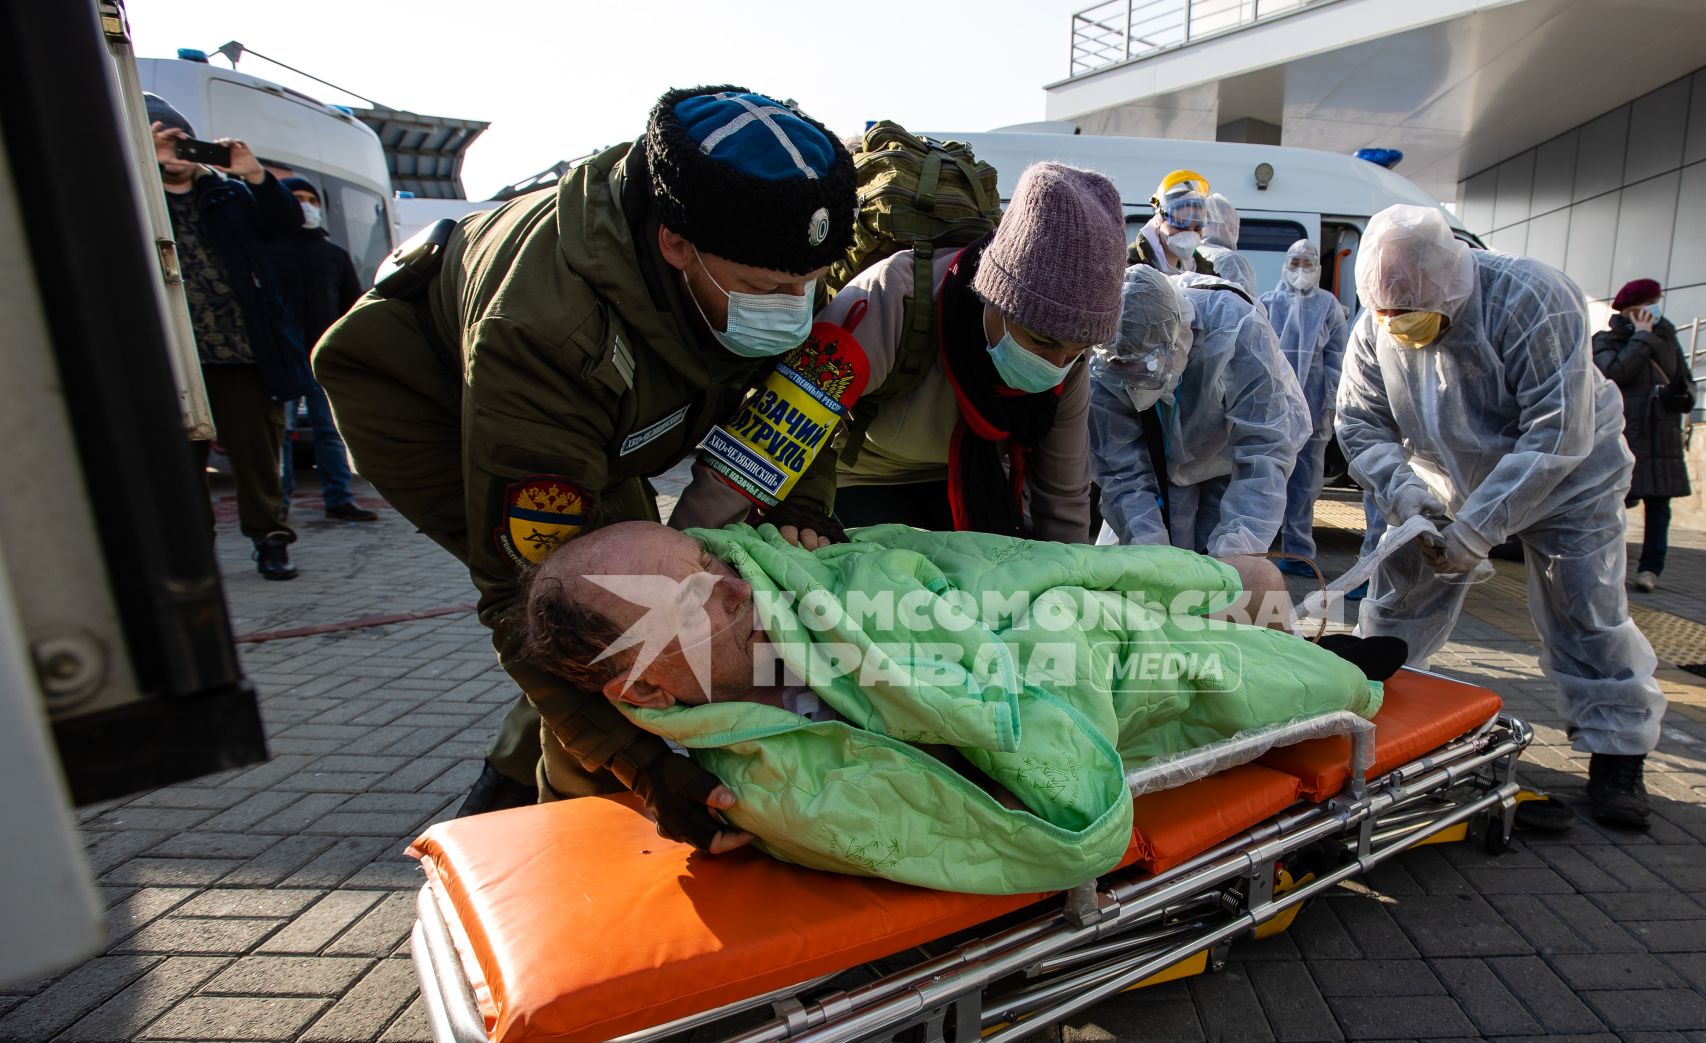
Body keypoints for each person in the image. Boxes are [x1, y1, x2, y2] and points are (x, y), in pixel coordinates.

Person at [313, 85, 856, 834]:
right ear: (674, 243)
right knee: (599, 617)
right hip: (426, 397)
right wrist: (646, 767)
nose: (796, 306)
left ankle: (508, 786)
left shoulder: (743, 236)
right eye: (770, 289)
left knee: (635, 611)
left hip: (609, 402)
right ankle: (565, 843)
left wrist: (801, 498)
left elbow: (800, 398)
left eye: (809, 284)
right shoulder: (543, 331)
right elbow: (525, 596)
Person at [513, 519, 1392, 892]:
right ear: (643, 689)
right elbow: (1011, 802)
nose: (734, 589)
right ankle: (1328, 664)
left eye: (712, 561)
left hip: (1009, 604)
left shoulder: (776, 585)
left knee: (1241, 579)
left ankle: (1263, 614)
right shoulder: (771, 781)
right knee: (1251, 652)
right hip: (1082, 660)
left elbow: (943, 565)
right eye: (690, 600)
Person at [1334, 203, 1666, 827]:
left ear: (1449, 278)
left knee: (1584, 609)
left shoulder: (1533, 298)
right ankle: (1383, 727)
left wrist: (1478, 530)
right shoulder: (1377, 324)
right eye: (1386, 313)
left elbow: (1555, 434)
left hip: (1573, 481)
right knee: (1398, 604)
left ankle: (1618, 753)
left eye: (1410, 311)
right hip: (1447, 482)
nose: (1397, 324)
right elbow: (1359, 422)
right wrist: (1409, 499)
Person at [672, 162, 1126, 541]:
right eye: (1040, 341)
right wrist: (683, 557)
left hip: (966, 483)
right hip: (860, 478)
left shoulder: (1067, 363)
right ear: (994, 296)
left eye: (1078, 351)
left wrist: (1067, 600)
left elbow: (1063, 504)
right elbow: (763, 444)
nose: (1055, 366)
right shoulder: (888, 303)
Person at [147, 94, 309, 580]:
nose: (174, 150)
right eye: (162, 139)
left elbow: (286, 224)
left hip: (242, 350)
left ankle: (271, 539)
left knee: (257, 455)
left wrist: (254, 175)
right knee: (178, 462)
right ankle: (193, 550)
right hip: (173, 351)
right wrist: (145, 167)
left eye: (180, 139)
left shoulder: (229, 192)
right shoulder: (136, 192)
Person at [1087, 265, 1310, 600]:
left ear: (1180, 336)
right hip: (1162, 460)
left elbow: (1263, 450)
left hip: (1229, 455)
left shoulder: (1237, 329)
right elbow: (1121, 472)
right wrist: (1152, 558)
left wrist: (1232, 562)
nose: (1134, 382)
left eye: (1145, 369)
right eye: (1123, 370)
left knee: (1225, 573)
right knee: (1155, 567)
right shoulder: (1104, 359)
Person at [267, 177, 378, 523]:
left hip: (322, 358)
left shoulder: (333, 254)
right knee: (280, 434)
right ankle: (278, 502)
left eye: (310, 199)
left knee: (330, 430)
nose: (305, 206)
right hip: (282, 357)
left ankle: (339, 497)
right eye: (296, 199)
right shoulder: (269, 251)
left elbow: (353, 306)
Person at [1593, 277, 1694, 592]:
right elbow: (1612, 374)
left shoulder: (1668, 340)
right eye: (1649, 303)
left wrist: (1682, 395)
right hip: (1623, 432)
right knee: (1613, 501)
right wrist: (1641, 338)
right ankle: (1606, 563)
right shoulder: (1604, 341)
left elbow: (1684, 380)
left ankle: (1650, 569)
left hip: (1660, 431)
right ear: (1629, 309)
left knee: (1659, 505)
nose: (1655, 309)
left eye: (1657, 302)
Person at [1260, 239, 1351, 571]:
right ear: (1285, 265)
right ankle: (1257, 551)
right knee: (1266, 480)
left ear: (1318, 269)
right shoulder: (1268, 302)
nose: (1301, 269)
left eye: (1308, 263)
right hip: (1274, 411)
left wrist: (1330, 404)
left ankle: (1298, 553)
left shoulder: (1327, 305)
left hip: (1312, 411)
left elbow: (1336, 359)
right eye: (1295, 262)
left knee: (1304, 486)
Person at [1126, 171, 1214, 276]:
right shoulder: (1130, 265)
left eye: (1197, 228)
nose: (1189, 235)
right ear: (1159, 220)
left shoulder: (1201, 268)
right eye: (1180, 225)